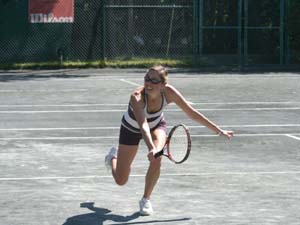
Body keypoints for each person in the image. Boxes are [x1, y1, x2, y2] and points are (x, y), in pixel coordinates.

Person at [105, 65, 234, 216]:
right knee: (121, 180)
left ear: (163, 85)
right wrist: (150, 147)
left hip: (157, 125)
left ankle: (146, 199)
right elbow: (143, 125)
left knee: (157, 157)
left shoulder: (169, 92)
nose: (148, 83)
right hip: (131, 128)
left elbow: (192, 113)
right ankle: (112, 157)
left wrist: (219, 131)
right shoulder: (136, 97)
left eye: (154, 80)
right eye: (147, 78)